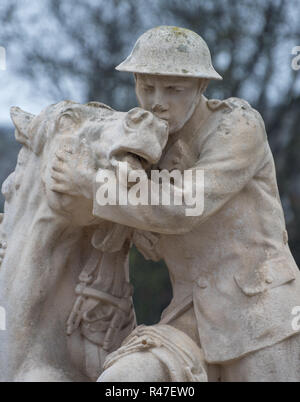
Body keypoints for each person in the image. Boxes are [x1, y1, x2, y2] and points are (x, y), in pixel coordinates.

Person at [50, 26, 300, 381]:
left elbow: (184, 207)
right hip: (188, 320)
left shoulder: (239, 127)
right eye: (146, 86)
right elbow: (129, 233)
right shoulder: (146, 145)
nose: (157, 101)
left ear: (201, 87)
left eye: (173, 89)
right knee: (121, 382)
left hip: (259, 319)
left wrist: (93, 185)